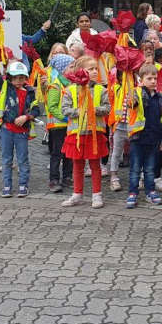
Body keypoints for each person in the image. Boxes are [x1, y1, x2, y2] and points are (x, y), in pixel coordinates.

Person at [60, 55, 111, 209]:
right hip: (76, 135)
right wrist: (80, 111)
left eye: (96, 68)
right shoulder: (70, 90)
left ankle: (97, 195)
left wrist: (94, 110)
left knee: (95, 166)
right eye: (91, 69)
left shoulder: (101, 90)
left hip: (94, 134)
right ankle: (77, 194)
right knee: (77, 165)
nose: (95, 71)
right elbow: (64, 110)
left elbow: (107, 108)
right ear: (81, 71)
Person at [0, 60, 40, 198]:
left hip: (22, 132)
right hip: (7, 130)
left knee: (22, 160)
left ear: (26, 78)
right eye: (15, 78)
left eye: (22, 78)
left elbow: (36, 110)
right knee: (6, 160)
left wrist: (26, 117)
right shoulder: (6, 88)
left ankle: (23, 185)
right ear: (10, 78)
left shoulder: (30, 92)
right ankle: (7, 186)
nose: (19, 81)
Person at [125, 63, 162, 208]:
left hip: (153, 138)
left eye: (155, 78)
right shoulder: (137, 93)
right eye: (149, 78)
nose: (153, 81)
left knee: (150, 169)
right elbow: (133, 104)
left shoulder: (161, 97)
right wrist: (132, 96)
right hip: (138, 138)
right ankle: (132, 192)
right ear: (141, 80)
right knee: (135, 168)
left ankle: (150, 191)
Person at [45, 53, 73, 193]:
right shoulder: (55, 86)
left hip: (69, 126)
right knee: (57, 153)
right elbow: (52, 107)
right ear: (63, 69)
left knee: (70, 152)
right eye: (71, 66)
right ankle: (54, 179)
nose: (73, 69)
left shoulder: (71, 84)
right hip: (58, 126)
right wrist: (65, 118)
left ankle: (67, 177)